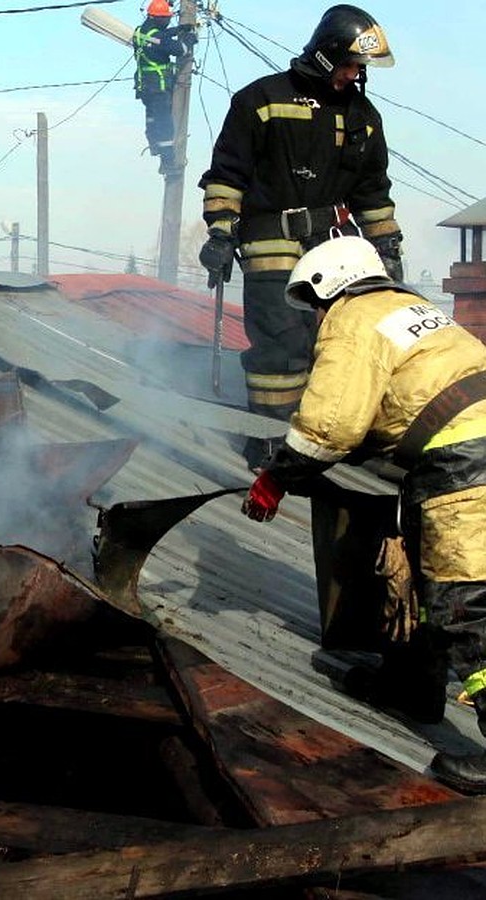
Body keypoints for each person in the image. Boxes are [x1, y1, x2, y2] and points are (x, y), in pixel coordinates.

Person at [240, 235, 486, 793]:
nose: (316, 316)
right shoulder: (414, 310)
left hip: (465, 465)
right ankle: (411, 686)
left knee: (465, 604)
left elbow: (331, 425)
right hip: (466, 452)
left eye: (315, 302)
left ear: (331, 287)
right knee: (429, 580)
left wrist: (275, 480)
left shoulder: (353, 320)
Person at [197, 5, 402, 469]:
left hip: (333, 242)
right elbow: (228, 174)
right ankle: (270, 439)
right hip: (271, 238)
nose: (355, 75)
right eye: (350, 65)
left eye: (360, 68)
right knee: (281, 345)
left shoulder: (363, 117)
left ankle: (320, 437)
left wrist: (387, 246)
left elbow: (372, 190)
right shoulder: (261, 100)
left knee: (338, 339)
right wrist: (220, 232)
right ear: (328, 55)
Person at [132, 0, 193, 159]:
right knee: (164, 123)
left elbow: (158, 35)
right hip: (158, 86)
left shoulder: (140, 32)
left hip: (144, 86)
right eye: (167, 18)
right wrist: (189, 39)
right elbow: (180, 50)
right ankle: (168, 160)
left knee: (152, 120)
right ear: (158, 18)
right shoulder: (158, 38)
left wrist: (176, 30)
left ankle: (155, 147)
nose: (168, 21)